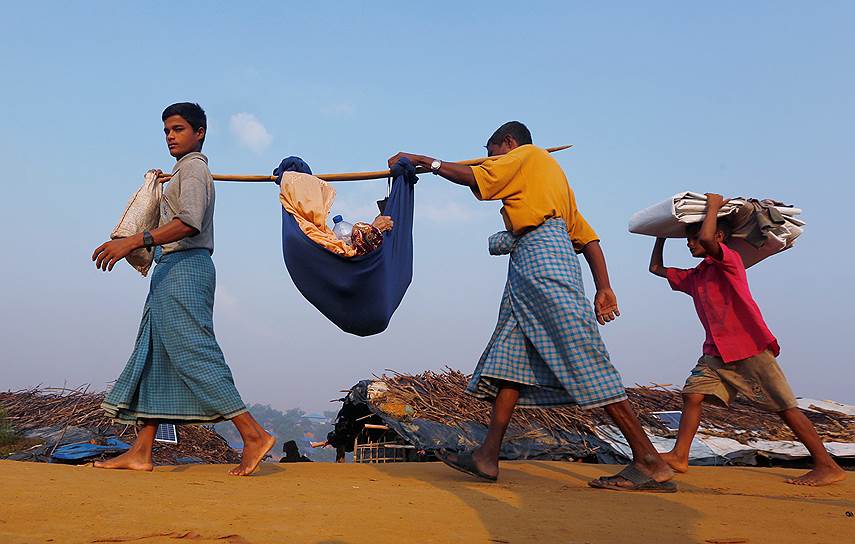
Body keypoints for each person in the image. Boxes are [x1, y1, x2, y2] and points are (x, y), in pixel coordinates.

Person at [387, 122, 676, 491]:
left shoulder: (528, 155)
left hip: (543, 262)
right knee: (512, 360)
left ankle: (649, 461)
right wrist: (603, 286)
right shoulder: (551, 181)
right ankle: (486, 457)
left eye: (494, 155)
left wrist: (424, 160)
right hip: (530, 262)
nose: (493, 163)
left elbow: (473, 176)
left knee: (583, 355)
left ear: (508, 143)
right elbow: (588, 239)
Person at [91, 102, 275, 475]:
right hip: (169, 270)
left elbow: (189, 222)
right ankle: (141, 451)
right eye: (166, 131)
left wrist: (133, 242)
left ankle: (253, 434)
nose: (170, 137)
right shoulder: (181, 173)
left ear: (199, 132)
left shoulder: (193, 171)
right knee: (154, 355)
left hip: (186, 269)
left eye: (178, 129)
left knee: (194, 352)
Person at [650, 193, 846, 486]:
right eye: (687, 240)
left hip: (749, 347)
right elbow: (656, 269)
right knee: (692, 395)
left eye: (692, 238)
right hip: (716, 352)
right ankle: (680, 456)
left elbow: (707, 241)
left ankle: (826, 465)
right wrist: (661, 234)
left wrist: (714, 206)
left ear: (717, 236)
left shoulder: (729, 262)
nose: (690, 243)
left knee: (785, 408)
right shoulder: (697, 277)